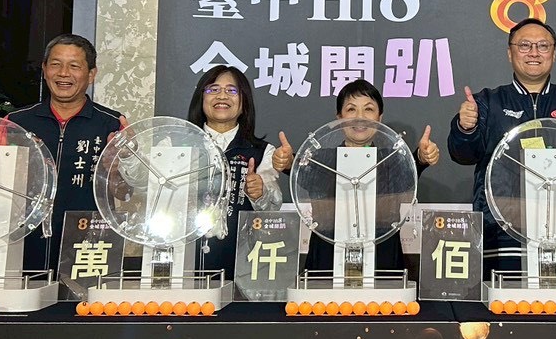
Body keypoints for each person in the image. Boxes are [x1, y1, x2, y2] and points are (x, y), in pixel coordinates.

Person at [447, 17, 556, 270]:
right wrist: (466, 128)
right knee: (504, 294)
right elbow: (463, 154)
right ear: (510, 53)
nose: (534, 52)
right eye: (524, 45)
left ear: (554, 53)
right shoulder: (487, 102)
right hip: (502, 232)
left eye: (543, 46)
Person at [2, 34, 126, 271]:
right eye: (56, 64)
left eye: (74, 66)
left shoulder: (112, 125)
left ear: (91, 74)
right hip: (22, 246)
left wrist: (123, 165)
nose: (63, 73)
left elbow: (125, 193)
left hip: (87, 249)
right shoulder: (15, 123)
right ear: (44, 70)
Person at [302, 78, 440, 277]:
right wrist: (287, 162)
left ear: (379, 118)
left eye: (368, 109)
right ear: (339, 118)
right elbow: (301, 171)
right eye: (351, 109)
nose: (360, 117)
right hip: (325, 262)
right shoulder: (320, 159)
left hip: (383, 261)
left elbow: (410, 168)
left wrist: (421, 156)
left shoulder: (392, 159)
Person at [186, 64, 283, 276]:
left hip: (243, 263)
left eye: (231, 90)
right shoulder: (179, 145)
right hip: (185, 260)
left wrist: (260, 193)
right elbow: (147, 185)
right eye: (213, 89)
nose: (222, 96)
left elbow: (272, 205)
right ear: (201, 98)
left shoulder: (261, 151)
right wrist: (129, 155)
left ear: (244, 103)